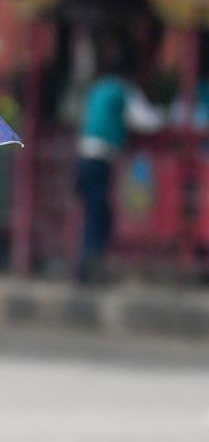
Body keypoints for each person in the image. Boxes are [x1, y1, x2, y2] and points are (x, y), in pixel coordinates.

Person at [75, 39, 164, 283]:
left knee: (93, 212)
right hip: (101, 158)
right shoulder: (122, 90)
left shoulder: (98, 88)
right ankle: (90, 264)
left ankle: (87, 261)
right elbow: (146, 120)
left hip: (83, 156)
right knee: (99, 214)